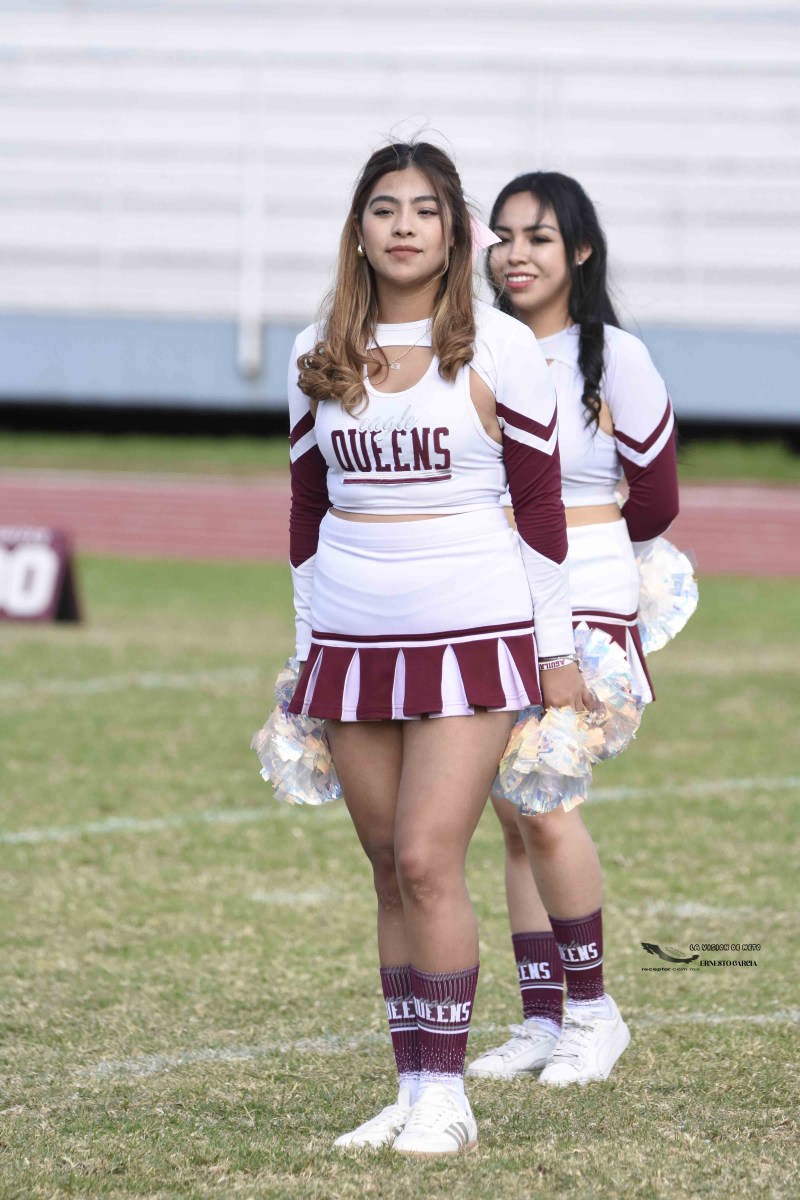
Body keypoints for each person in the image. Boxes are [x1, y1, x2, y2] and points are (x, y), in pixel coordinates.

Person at [287, 143, 590, 1154]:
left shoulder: (499, 346)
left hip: (471, 632)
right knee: (386, 867)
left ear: (454, 231)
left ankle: (449, 1098)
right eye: (384, 209)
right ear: (358, 230)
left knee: (426, 858)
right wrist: (303, 653)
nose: (404, 226)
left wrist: (554, 651)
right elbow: (305, 514)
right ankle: (411, 1087)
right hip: (351, 637)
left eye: (425, 209)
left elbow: (541, 510)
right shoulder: (317, 349)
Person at [466, 172, 679, 1086]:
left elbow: (656, 496)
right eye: (504, 237)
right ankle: (543, 1019)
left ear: (580, 251)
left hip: (584, 592)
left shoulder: (616, 357)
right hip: (494, 591)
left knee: (545, 801)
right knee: (514, 817)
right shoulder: (479, 347)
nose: (516, 254)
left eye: (540, 237)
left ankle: (594, 1011)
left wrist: (584, 538)